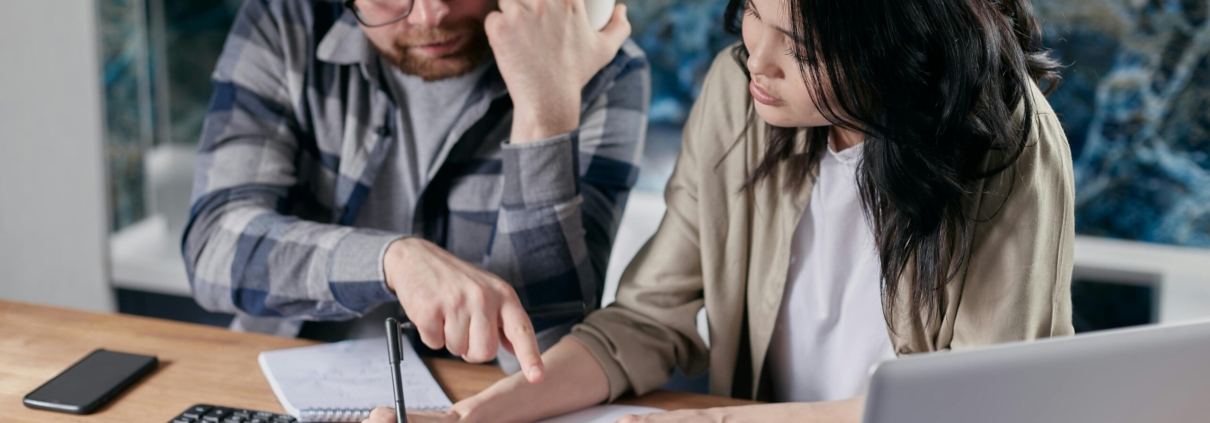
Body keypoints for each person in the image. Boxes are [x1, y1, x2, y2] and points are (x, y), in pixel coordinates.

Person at [365, 0, 1075, 421]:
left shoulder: (1009, 142)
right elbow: (646, 319)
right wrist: (478, 415)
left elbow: (979, 403)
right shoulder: (738, 94)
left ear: (897, 47)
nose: (756, 58)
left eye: (798, 46)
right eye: (754, 16)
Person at [182, 0, 649, 380]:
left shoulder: (603, 69)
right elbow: (213, 248)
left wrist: (544, 116)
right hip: (279, 372)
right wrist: (391, 261)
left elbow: (544, 356)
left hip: (482, 401)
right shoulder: (284, 22)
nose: (430, 16)